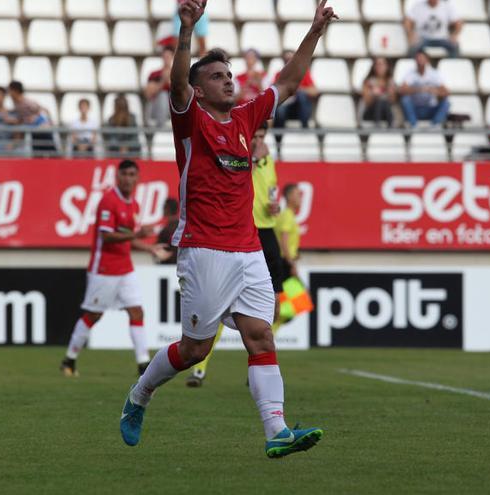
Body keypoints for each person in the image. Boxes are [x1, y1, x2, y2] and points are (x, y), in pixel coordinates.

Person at [119, 0, 333, 459]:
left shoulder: (246, 118)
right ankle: (139, 396)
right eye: (216, 76)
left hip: (248, 249)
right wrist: (186, 29)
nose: (228, 80)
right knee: (195, 350)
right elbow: (177, 83)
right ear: (197, 90)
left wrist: (314, 31)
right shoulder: (191, 122)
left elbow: (289, 82)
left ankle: (276, 429)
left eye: (230, 74)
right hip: (205, 250)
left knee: (262, 335)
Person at [185, 122, 284, 388]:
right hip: (242, 236)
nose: (259, 141)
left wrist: (276, 205)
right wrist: (252, 158)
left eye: (263, 136)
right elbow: (232, 185)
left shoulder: (268, 160)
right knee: (219, 309)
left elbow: (271, 190)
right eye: (256, 136)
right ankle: (199, 369)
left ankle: (257, 366)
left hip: (268, 233)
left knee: (276, 307)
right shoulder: (237, 156)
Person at [60, 160, 169, 378]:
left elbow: (126, 240)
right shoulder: (108, 201)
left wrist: (150, 249)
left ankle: (143, 365)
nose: (129, 178)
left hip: (124, 267)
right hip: (104, 268)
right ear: (117, 177)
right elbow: (107, 236)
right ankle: (69, 359)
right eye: (125, 174)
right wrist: (137, 235)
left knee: (137, 311)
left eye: (133, 174)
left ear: (137, 178)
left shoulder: (134, 205)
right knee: (94, 315)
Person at [399, 51, 450, 128]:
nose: (420, 61)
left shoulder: (434, 74)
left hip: (430, 108)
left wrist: (434, 91)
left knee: (446, 103)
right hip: (415, 109)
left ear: (427, 60)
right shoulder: (410, 73)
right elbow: (402, 90)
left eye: (422, 59)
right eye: (418, 59)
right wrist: (419, 89)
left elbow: (446, 92)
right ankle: (413, 126)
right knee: (405, 100)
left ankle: (435, 126)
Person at [273, 50, 318, 130]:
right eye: (286, 59)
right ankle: (279, 137)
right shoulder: (279, 75)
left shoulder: (303, 73)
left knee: (301, 96)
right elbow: (274, 94)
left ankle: (304, 128)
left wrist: (298, 89)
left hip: (298, 107)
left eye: (291, 59)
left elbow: (314, 92)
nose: (289, 61)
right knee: (280, 108)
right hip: (285, 106)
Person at [275, 183, 302, 281]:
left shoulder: (288, 215)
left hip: (285, 261)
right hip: (285, 263)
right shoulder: (287, 215)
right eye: (298, 194)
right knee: (290, 295)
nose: (300, 198)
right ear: (289, 196)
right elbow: (283, 241)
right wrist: (291, 263)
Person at [360, 57, 396, 127]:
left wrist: (390, 92)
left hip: (386, 112)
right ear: (374, 67)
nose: (380, 67)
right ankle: (379, 127)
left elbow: (393, 101)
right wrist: (373, 95)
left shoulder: (390, 81)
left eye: (382, 64)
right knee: (379, 102)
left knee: (384, 103)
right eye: (378, 64)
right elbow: (366, 102)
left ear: (387, 66)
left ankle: (390, 127)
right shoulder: (368, 82)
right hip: (370, 113)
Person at [144, 46, 174, 128]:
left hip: (173, 108)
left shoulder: (177, 75)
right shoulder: (155, 74)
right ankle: (161, 126)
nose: (166, 59)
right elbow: (148, 94)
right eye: (164, 56)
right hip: (155, 107)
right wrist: (163, 81)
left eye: (168, 57)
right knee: (163, 95)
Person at [155, 198, 180, 265]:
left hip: (169, 266)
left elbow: (159, 249)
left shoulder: (166, 230)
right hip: (181, 264)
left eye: (164, 207)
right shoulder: (182, 226)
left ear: (167, 208)